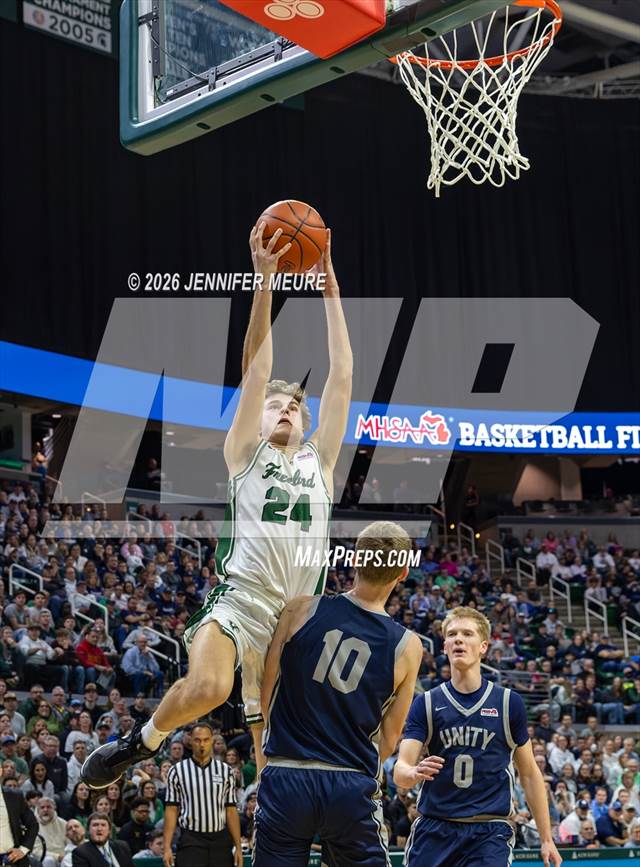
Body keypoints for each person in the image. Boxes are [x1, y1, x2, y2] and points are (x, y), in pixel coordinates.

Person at [82, 224, 352, 786]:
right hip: (241, 600)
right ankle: (142, 742)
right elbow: (255, 368)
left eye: (292, 408)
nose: (283, 411)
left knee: (275, 755)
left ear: (305, 422)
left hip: (297, 620)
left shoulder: (321, 462)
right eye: (273, 405)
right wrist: (264, 285)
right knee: (210, 688)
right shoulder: (244, 452)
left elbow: (343, 373)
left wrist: (329, 287)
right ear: (253, 417)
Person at [253, 521, 423, 866]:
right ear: (403, 572)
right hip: (350, 782)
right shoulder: (407, 646)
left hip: (288, 773)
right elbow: (389, 739)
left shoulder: (300, 609)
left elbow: (264, 695)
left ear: (354, 559)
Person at [395, 606, 562, 867]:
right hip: (435, 828)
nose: (458, 639)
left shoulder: (509, 703)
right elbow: (400, 769)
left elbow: (529, 772)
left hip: (489, 832)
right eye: (452, 634)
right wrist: (412, 773)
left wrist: (546, 838)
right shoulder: (426, 703)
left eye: (467, 634)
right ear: (444, 647)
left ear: (483, 646)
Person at [163, 722, 242, 867]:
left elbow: (231, 810)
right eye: (198, 740)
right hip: (191, 839)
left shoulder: (226, 771)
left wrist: (238, 847)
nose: (202, 744)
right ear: (190, 741)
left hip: (221, 839)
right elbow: (171, 809)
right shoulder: (177, 771)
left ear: (212, 740)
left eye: (206, 740)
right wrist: (167, 847)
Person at [0, 764, 39, 867]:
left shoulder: (15, 796)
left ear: (0, 772)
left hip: (11, 859)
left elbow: (32, 824)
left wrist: (23, 849)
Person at [36, 797, 68, 867]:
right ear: (38, 810)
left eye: (49, 807)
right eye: (42, 807)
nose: (45, 810)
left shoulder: (63, 823)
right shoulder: (34, 825)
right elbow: (36, 851)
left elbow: (69, 843)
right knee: (49, 860)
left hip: (64, 857)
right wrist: (57, 856)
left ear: (54, 809)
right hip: (44, 858)